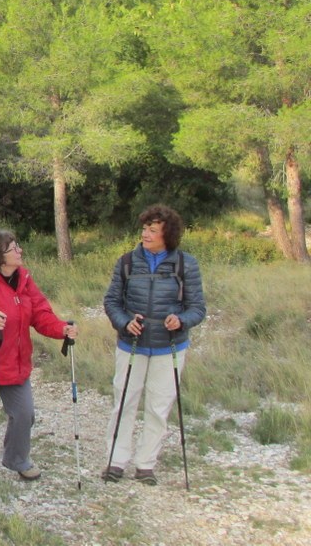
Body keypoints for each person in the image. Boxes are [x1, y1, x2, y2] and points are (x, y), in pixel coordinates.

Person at [0, 229, 77, 481]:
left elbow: (41, 314)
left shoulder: (24, 279)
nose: (19, 251)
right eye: (13, 248)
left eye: (17, 246)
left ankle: (16, 459)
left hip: (16, 363)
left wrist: (61, 328)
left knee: (24, 413)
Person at [102, 204, 205, 486]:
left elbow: (197, 308)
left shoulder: (186, 264)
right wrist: (124, 322)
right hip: (131, 344)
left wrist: (180, 320)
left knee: (158, 408)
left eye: (152, 229)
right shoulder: (126, 262)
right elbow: (111, 301)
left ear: (167, 235)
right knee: (124, 402)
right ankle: (115, 460)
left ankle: (146, 464)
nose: (145, 234)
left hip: (169, 347)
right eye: (145, 228)